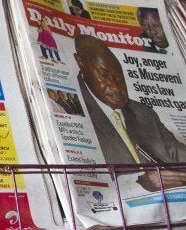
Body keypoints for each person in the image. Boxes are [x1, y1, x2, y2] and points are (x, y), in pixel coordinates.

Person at [74, 34, 186, 192]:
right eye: (104, 76)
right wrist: (139, 181)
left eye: (118, 79)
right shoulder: (72, 108)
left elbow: (176, 152)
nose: (114, 87)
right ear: (80, 62)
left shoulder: (143, 112)